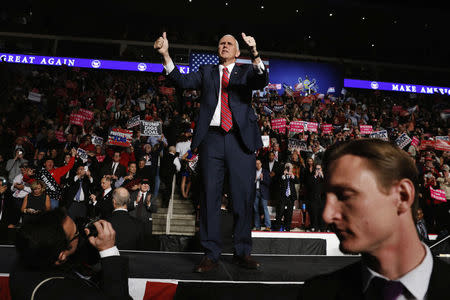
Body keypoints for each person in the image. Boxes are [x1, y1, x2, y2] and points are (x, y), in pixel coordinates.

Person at [155, 31, 268, 272]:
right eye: (221, 43)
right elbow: (182, 82)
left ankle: (242, 251)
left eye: (229, 44)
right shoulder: (207, 72)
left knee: (242, 198)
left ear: (238, 52)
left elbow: (261, 80)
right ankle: (211, 253)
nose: (224, 46)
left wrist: (255, 52)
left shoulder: (246, 71)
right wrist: (165, 54)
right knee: (209, 197)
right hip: (212, 140)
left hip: (240, 141)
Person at [300, 139, 450, 300]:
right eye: (325, 196)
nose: (327, 215)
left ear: (402, 196)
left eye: (345, 196)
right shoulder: (316, 293)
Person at [10, 209, 131, 300]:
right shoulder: (63, 292)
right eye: (77, 233)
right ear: (61, 256)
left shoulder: (29, 256)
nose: (81, 233)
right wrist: (108, 251)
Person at [129, 179, 157, 250]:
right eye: (144, 184)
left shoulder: (151, 196)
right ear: (140, 185)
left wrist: (148, 204)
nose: (145, 185)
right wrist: (136, 201)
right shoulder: (133, 194)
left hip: (146, 222)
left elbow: (154, 209)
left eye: (147, 184)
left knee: (146, 242)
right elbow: (127, 207)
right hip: (134, 221)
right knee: (133, 241)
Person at [276, 163, 298, 231]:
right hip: (282, 197)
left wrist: (292, 175)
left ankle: (287, 228)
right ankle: (278, 228)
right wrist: (284, 175)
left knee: (289, 214)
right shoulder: (282, 176)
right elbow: (278, 182)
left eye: (290, 168)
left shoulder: (292, 176)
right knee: (280, 213)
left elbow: (297, 181)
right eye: (288, 168)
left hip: (290, 198)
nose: (289, 170)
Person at [254, 159, 271, 231]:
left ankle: (268, 226)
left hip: (263, 192)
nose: (257, 165)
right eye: (256, 163)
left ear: (261, 164)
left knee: (265, 209)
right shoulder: (253, 172)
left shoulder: (265, 172)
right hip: (255, 192)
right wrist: (254, 180)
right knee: (255, 209)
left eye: (259, 163)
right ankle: (257, 226)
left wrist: (262, 179)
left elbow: (269, 182)